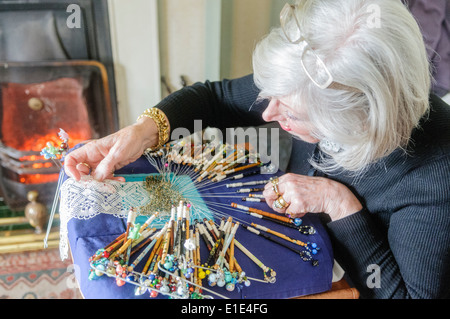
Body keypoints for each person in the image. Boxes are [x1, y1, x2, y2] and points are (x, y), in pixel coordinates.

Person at [64, 0, 450, 299]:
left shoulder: (436, 175)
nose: (267, 112)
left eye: (290, 113)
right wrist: (143, 131)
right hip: (306, 245)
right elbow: (214, 98)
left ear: (353, 124)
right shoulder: (310, 74)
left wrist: (339, 204)